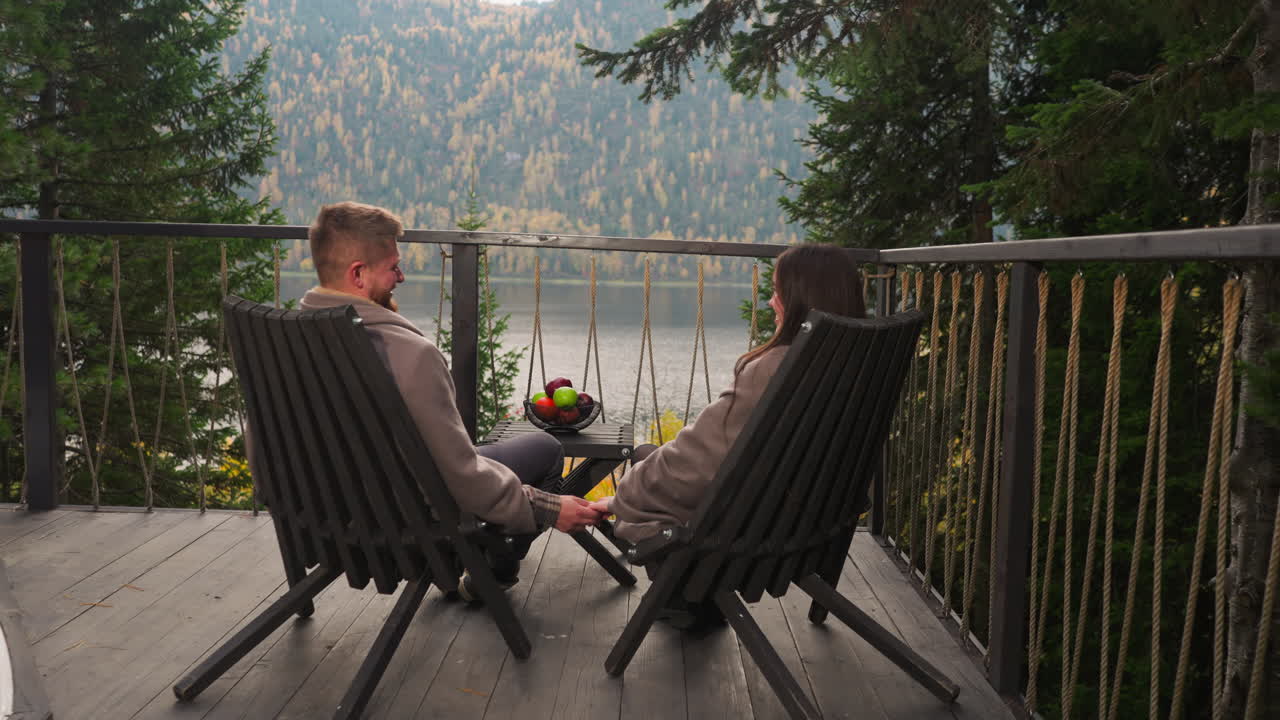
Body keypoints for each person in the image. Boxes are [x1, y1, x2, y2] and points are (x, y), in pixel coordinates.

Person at [300, 201, 602, 600]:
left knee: (499, 456)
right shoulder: (408, 354)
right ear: (358, 274)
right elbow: (457, 476)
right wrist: (545, 506)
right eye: (393, 267)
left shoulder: (282, 341)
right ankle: (489, 577)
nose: (401, 276)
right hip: (404, 522)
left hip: (321, 517)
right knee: (546, 448)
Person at [588, 243, 866, 629]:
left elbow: (698, 464)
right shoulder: (858, 367)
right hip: (805, 519)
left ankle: (690, 598)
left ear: (801, 300)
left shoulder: (775, 369)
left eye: (777, 292)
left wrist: (622, 497)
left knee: (644, 465)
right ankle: (691, 596)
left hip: (744, 539)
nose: (771, 303)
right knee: (651, 453)